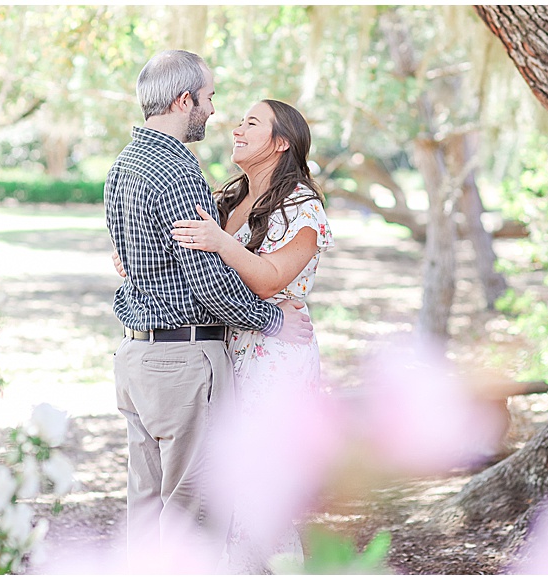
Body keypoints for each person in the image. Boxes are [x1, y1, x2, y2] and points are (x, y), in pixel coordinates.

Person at [103, 51, 314, 572]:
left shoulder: (121, 166)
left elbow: (128, 259)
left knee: (146, 506)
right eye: (210, 98)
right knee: (194, 512)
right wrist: (273, 321)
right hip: (183, 359)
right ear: (183, 100)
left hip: (136, 355)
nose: (214, 112)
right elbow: (205, 279)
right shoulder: (177, 170)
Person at [169, 98, 334, 573]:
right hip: (225, 351)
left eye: (252, 123)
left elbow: (268, 279)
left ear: (281, 143)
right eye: (239, 121)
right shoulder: (228, 200)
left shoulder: (303, 206)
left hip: (275, 359)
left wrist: (220, 242)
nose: (237, 128)